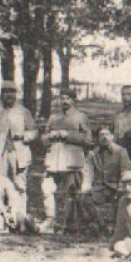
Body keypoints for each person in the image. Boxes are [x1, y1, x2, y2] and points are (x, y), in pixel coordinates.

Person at [39, 88, 93, 232]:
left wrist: (67, 135)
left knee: (70, 193)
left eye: (67, 98)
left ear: (73, 100)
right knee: (47, 189)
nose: (64, 101)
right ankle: (50, 219)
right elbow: (43, 139)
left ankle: (69, 222)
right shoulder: (53, 118)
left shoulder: (81, 117)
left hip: (71, 161)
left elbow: (88, 140)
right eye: (62, 98)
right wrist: (50, 136)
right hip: (53, 161)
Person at [0, 83, 37, 212]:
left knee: (19, 184)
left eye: (12, 92)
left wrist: (24, 136)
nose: (9, 95)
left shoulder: (23, 112)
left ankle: (19, 214)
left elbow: (34, 131)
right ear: (1, 95)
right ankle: (2, 214)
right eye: (6, 92)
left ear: (16, 95)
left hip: (19, 153)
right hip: (0, 154)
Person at [81, 127, 131, 235]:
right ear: (98, 138)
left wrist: (121, 188)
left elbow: (126, 171)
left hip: (116, 187)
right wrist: (86, 187)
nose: (104, 137)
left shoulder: (121, 152)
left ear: (112, 137)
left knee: (122, 200)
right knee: (84, 198)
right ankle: (101, 224)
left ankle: (116, 226)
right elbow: (88, 173)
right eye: (101, 135)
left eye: (107, 134)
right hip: (100, 188)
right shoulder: (92, 154)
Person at [110, 84, 131, 167]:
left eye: (128, 94)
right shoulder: (118, 114)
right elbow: (113, 133)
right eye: (123, 94)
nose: (125, 97)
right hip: (120, 152)